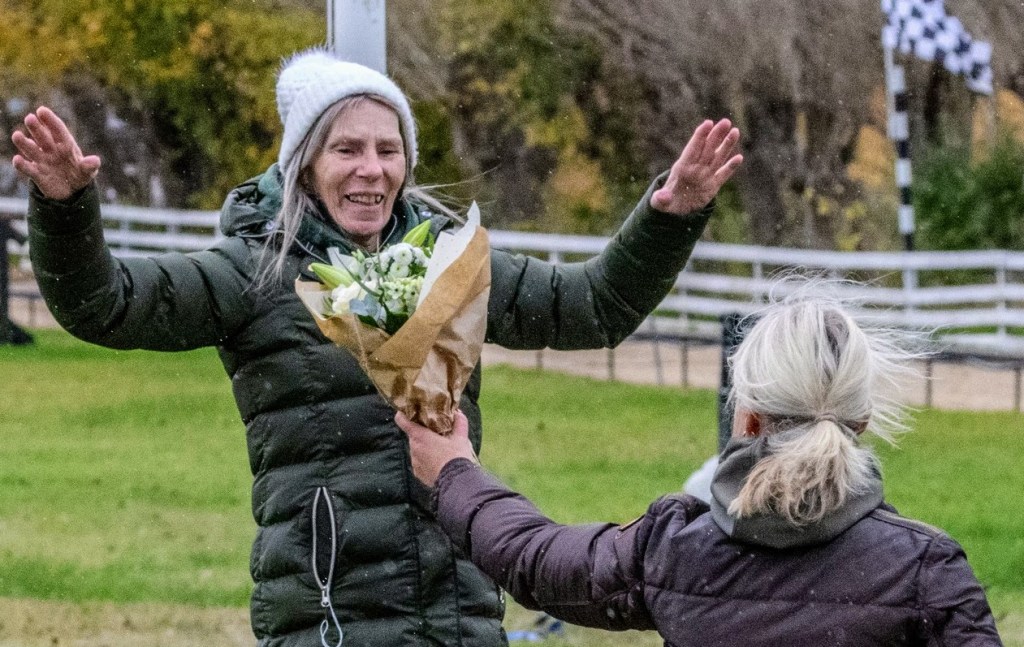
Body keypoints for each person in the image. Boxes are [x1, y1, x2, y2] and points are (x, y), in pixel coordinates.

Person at [10, 47, 742, 646]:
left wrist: (669, 215)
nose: (373, 169)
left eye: (389, 150)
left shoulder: (447, 263)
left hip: (459, 603)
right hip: (327, 611)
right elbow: (104, 305)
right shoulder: (251, 270)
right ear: (305, 163)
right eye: (348, 149)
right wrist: (67, 208)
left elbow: (593, 308)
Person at [397, 289, 1004, 646]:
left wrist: (454, 472)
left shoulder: (674, 550)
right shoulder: (927, 571)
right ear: (862, 425)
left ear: (745, 418)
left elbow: (534, 560)